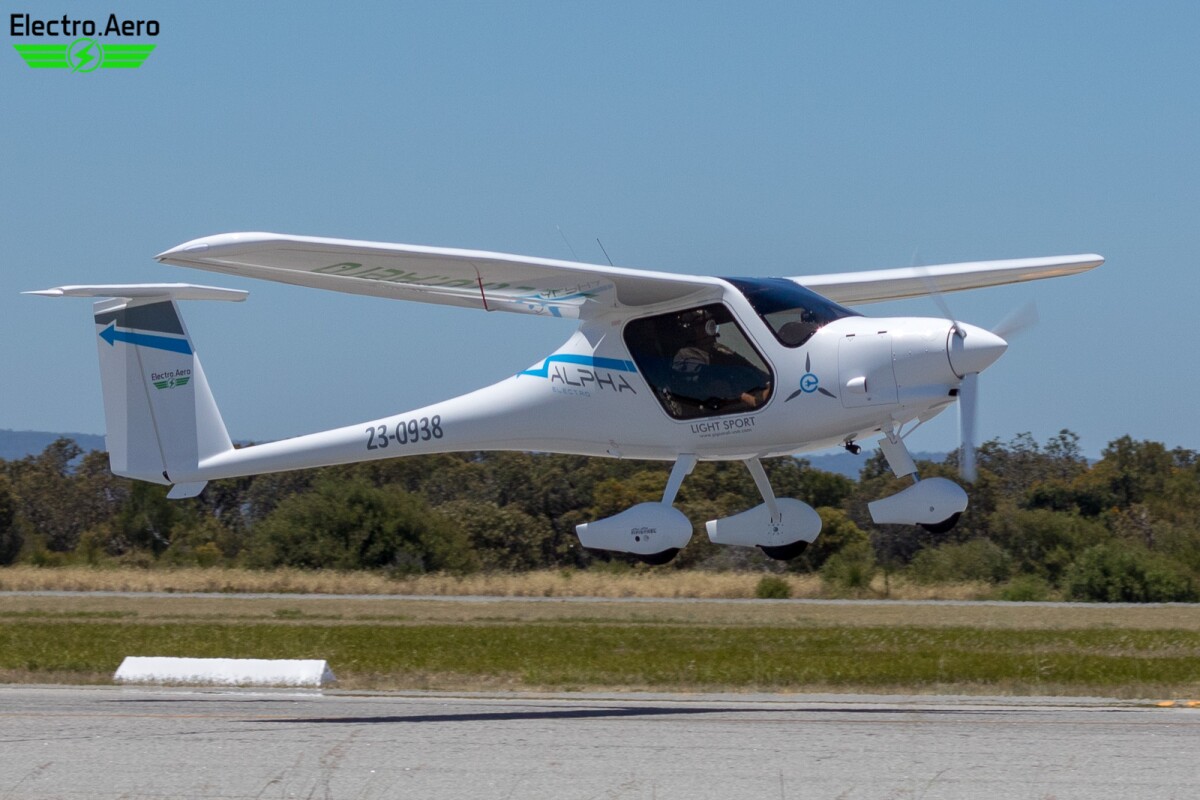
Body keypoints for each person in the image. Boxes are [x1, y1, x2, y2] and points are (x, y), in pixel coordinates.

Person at [670, 311, 770, 412]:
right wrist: (751, 400)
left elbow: (751, 369)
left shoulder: (720, 350)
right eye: (701, 323)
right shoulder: (685, 357)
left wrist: (769, 384)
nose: (710, 327)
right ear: (691, 330)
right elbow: (715, 386)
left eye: (710, 322)